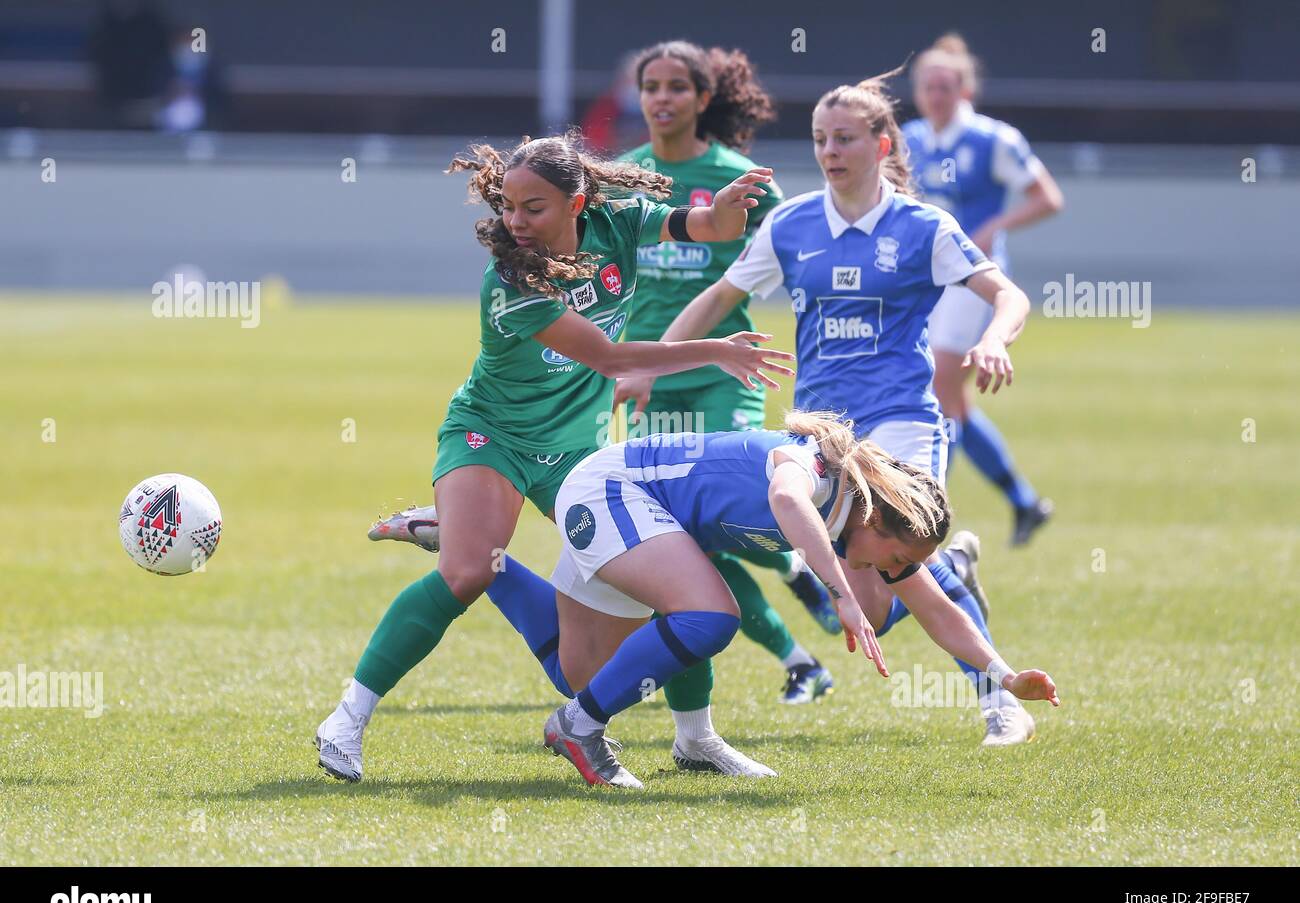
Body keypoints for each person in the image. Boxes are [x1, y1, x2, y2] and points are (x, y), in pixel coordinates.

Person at [315, 131, 793, 782]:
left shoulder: (617, 219)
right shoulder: (508, 281)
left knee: (641, 605)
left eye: (532, 207)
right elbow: (611, 358)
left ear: (578, 202)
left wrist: (727, 214)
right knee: (466, 574)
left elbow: (701, 223)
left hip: (581, 448)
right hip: (493, 435)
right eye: (507, 206)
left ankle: (696, 740)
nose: (515, 222)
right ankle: (348, 717)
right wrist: (716, 349)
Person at [627, 67, 1040, 745]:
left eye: (845, 138)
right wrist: (651, 364)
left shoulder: (921, 226)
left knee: (903, 564)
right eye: (820, 138)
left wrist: (994, 338)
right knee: (872, 610)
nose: (829, 151)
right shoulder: (790, 225)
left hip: (902, 418)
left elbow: (1008, 295)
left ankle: (999, 698)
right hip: (822, 432)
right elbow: (719, 299)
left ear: (882, 145)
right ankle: (953, 565)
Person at [485, 412, 1059, 788]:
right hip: (610, 492)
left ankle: (488, 563)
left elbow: (939, 610)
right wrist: (842, 594)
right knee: (709, 614)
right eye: (896, 556)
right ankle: (579, 727)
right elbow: (787, 498)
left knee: (579, 669)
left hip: (637, 509)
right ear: (876, 515)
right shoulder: (817, 470)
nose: (893, 571)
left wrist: (1003, 678)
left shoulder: (857, 521)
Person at [616, 40, 842, 741]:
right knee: (683, 543)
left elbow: (791, 259)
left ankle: (796, 563)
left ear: (703, 99)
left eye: (676, 87)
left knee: (743, 512)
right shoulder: (624, 177)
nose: (661, 99)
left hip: (721, 375)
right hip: (644, 380)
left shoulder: (743, 179)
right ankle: (800, 659)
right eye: (650, 86)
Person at [904, 34, 1064, 546]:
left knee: (938, 388)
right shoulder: (909, 138)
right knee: (949, 398)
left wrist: (998, 224)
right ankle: (1023, 501)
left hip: (974, 280)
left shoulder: (994, 140)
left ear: (965, 88)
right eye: (928, 86)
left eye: (945, 86)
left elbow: (1048, 197)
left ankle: (927, 511)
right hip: (926, 282)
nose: (936, 95)